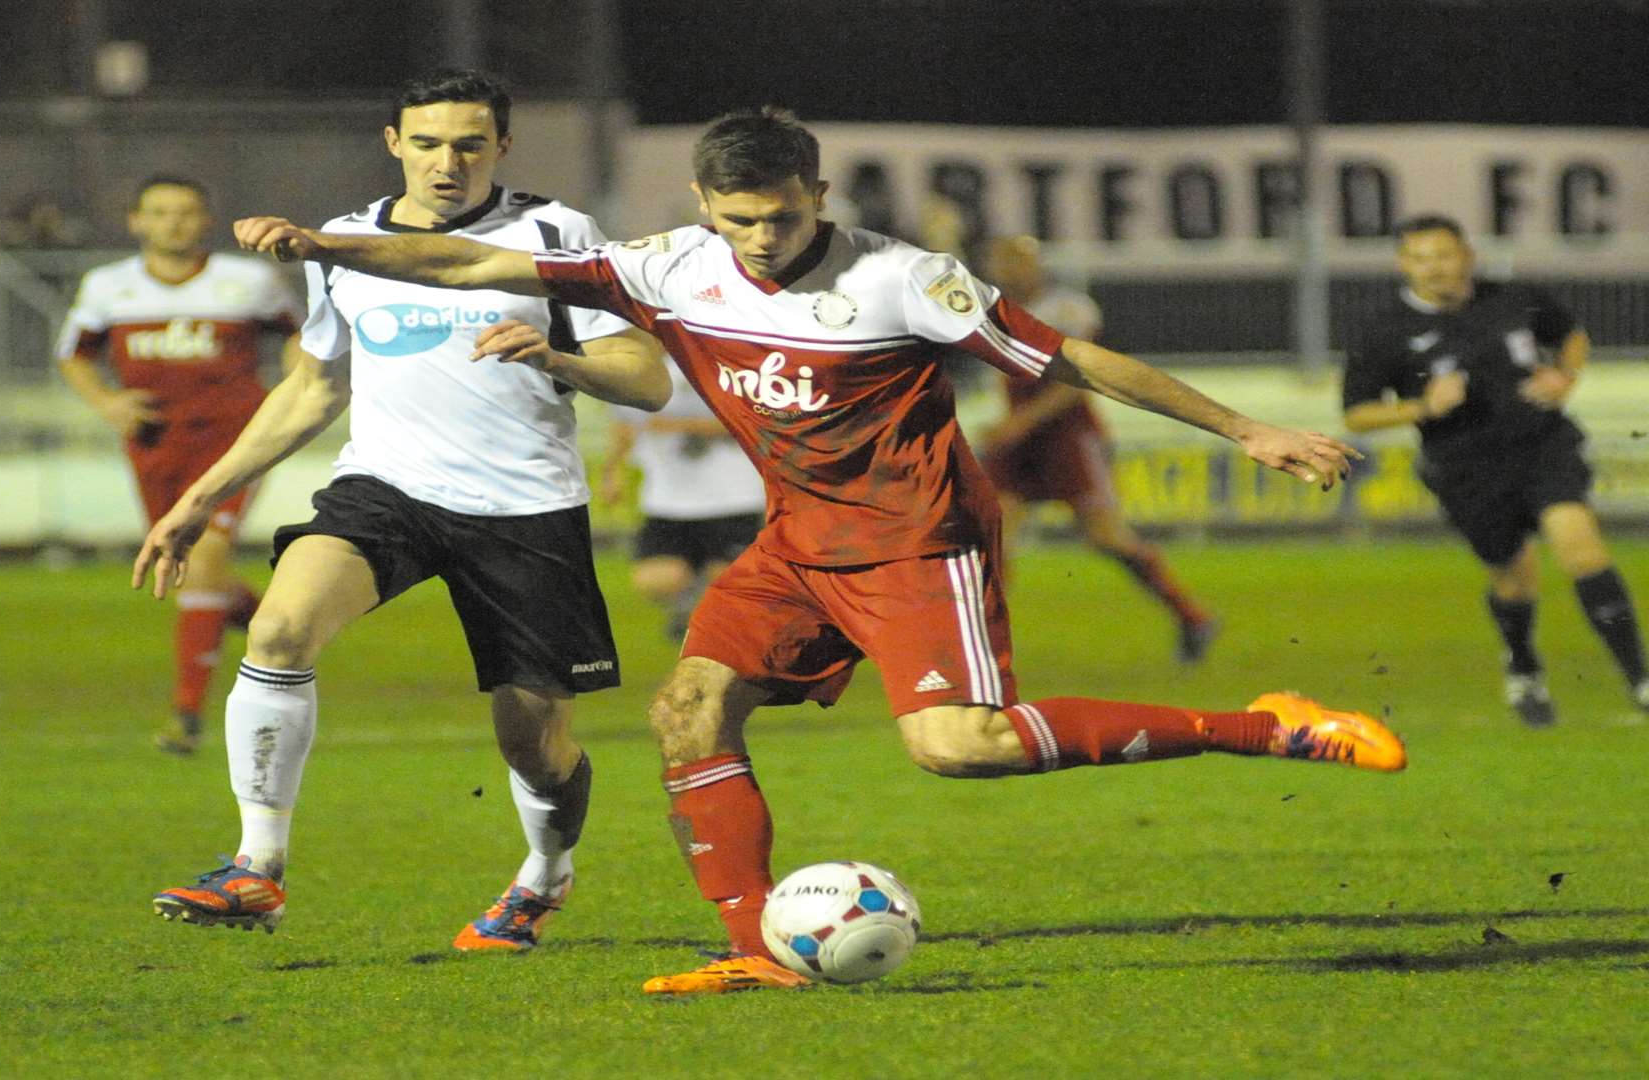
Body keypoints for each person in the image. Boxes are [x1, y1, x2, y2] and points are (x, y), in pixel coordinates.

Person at [228, 106, 1406, 995]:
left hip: (914, 542)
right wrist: (327, 250)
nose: (760, 238)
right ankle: (757, 951)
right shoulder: (671, 264)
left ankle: (1266, 724)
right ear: (703, 203)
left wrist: (1250, 428)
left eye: (782, 216)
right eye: (738, 218)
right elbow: (474, 262)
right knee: (688, 711)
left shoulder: (905, 278)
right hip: (795, 543)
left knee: (961, 750)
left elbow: (1074, 363)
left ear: (818, 193)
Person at [132, 70, 671, 950]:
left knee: (534, 745)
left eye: (468, 143)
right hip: (387, 490)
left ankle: (544, 874)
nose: (446, 162)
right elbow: (313, 388)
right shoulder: (340, 244)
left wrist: (555, 359)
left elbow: (646, 379)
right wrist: (200, 497)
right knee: (277, 632)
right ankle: (256, 868)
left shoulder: (555, 234)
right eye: (426, 143)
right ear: (394, 144)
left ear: (502, 146)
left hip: (525, 508)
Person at [1344, 214, 1648, 727]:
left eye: (1443, 255)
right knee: (1514, 577)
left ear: (1466, 255)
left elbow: (1571, 335)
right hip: (1465, 468)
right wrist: (1423, 407)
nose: (1435, 268)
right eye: (1421, 259)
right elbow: (1357, 413)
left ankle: (1639, 678)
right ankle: (1524, 667)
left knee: (1580, 546)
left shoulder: (1513, 299)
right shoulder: (1384, 333)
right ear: (1403, 265)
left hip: (1542, 445)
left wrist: (1564, 375)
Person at [56, 175, 303, 754]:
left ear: (207, 221)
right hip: (155, 443)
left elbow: (300, 336)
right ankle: (282, 627)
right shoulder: (108, 286)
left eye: (186, 212)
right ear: (134, 221)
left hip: (234, 443)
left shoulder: (248, 281)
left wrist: (291, 391)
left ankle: (186, 713)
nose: (173, 223)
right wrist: (108, 403)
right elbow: (74, 355)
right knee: (192, 567)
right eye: (159, 212)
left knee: (207, 554)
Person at [977, 235, 1216, 662]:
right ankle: (987, 649)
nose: (1010, 269)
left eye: (1018, 260)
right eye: (1002, 261)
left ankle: (1192, 616)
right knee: (993, 533)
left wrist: (1019, 422)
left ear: (1037, 265)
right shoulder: (991, 309)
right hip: (1018, 438)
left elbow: (1076, 382)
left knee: (1106, 537)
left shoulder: (1070, 310)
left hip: (1067, 436)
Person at [599, 363, 767, 640]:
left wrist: (678, 424)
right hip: (668, 500)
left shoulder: (732, 364)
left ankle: (706, 620)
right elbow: (625, 423)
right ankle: (692, 603)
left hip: (734, 498)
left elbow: (756, 421)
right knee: (655, 580)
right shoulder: (647, 369)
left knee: (733, 585)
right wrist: (612, 471)